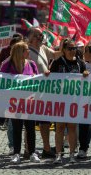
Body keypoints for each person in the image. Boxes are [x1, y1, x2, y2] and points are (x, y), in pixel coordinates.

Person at [0, 41, 40, 164]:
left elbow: (38, 80)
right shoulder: (7, 65)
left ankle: (32, 152)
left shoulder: (32, 64)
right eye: (26, 50)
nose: (29, 52)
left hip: (29, 101)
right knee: (17, 128)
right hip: (14, 102)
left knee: (30, 128)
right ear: (20, 52)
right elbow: (1, 81)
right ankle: (16, 153)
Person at [50, 39, 86, 164]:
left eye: (74, 48)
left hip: (74, 101)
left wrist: (86, 74)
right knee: (59, 127)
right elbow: (50, 79)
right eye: (70, 48)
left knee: (72, 128)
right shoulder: (57, 62)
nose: (72, 51)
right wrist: (47, 74)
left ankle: (71, 154)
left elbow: (85, 79)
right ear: (64, 50)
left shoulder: (80, 63)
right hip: (60, 101)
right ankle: (58, 154)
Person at [27, 27, 62, 159]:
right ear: (30, 38)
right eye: (37, 36)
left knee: (45, 120)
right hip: (30, 90)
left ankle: (46, 148)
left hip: (44, 90)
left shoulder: (43, 49)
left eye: (41, 35)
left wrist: (64, 49)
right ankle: (27, 149)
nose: (41, 38)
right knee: (29, 121)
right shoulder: (26, 51)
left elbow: (54, 55)